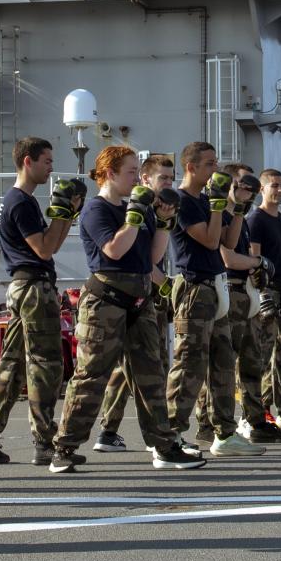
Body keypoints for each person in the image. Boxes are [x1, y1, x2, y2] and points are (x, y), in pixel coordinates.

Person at [49, 146, 204, 471]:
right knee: (91, 377)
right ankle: (63, 449)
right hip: (105, 301)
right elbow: (114, 250)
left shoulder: (140, 208)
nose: (136, 177)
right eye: (131, 171)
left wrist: (162, 222)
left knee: (151, 376)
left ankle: (163, 446)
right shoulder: (96, 209)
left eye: (137, 171)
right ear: (110, 173)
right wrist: (134, 215)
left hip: (140, 301)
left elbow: (152, 258)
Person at [0, 138, 78, 466]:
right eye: (46, 161)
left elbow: (53, 244)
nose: (51, 167)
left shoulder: (16, 201)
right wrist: (62, 213)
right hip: (35, 288)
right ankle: (44, 443)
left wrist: (66, 215)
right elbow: (45, 250)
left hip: (24, 287)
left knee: (10, 364)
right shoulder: (21, 203)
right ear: (27, 161)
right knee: (46, 365)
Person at [162, 143, 260, 458]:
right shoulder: (182, 201)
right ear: (190, 167)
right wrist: (219, 207)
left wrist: (236, 208)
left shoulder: (206, 200)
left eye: (215, 163)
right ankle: (171, 434)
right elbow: (207, 238)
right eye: (208, 164)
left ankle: (224, 433)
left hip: (215, 286)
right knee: (189, 363)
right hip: (193, 288)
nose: (214, 170)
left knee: (223, 362)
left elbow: (227, 242)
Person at [95, 153, 176, 451]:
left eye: (171, 178)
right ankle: (113, 431)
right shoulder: (133, 209)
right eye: (163, 178)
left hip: (146, 295)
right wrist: (166, 284)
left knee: (138, 367)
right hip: (130, 293)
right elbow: (135, 260)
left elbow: (151, 257)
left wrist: (164, 222)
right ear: (145, 179)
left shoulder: (155, 212)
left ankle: (113, 431)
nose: (168, 184)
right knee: (135, 367)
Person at [242, 169, 281, 440]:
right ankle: (258, 413)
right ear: (262, 190)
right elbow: (253, 260)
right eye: (274, 186)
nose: (279, 190)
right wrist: (261, 293)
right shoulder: (255, 220)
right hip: (267, 292)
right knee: (262, 355)